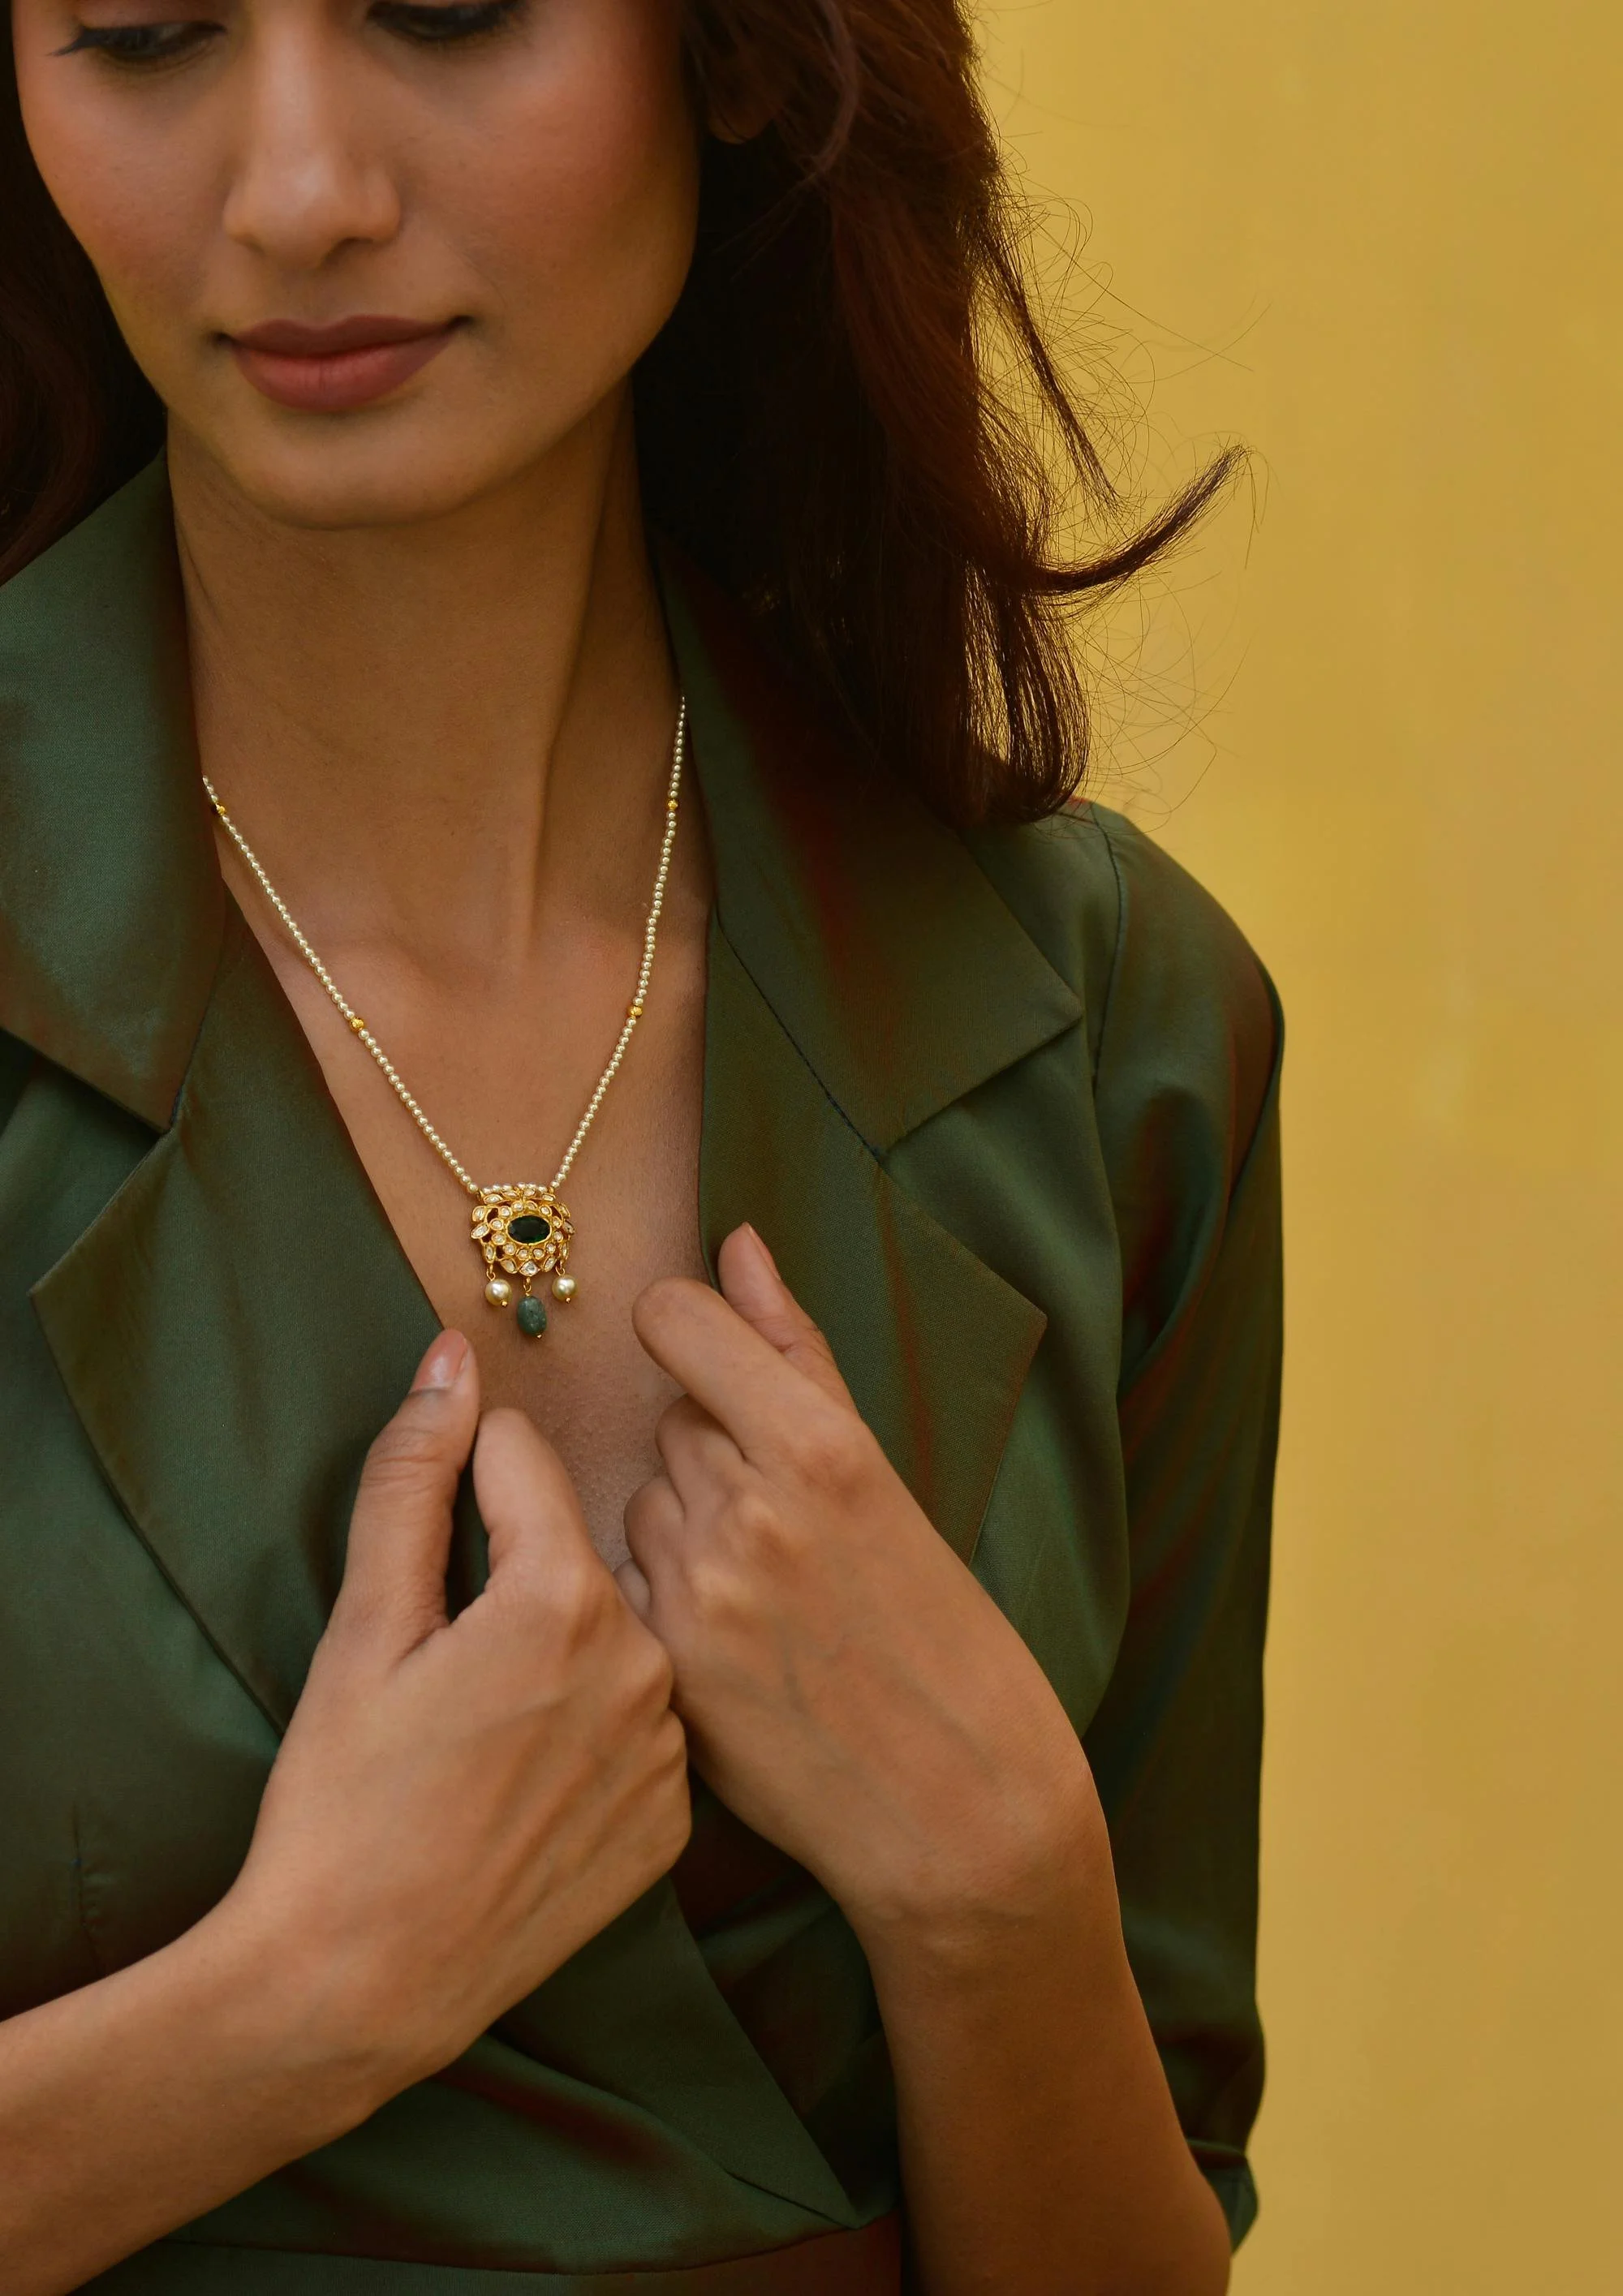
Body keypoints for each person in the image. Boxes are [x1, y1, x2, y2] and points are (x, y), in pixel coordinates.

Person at [0, 0, 1282, 2288]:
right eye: (143, 28)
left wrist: (998, 1893)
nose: (297, 192)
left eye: (452, 8)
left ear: (733, 49)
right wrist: (294, 2001)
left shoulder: (1119, 1037)